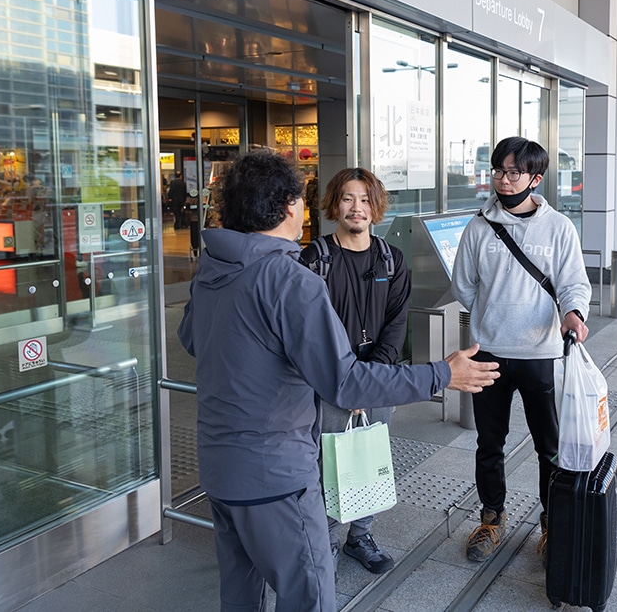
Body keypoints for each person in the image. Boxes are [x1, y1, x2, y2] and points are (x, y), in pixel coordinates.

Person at [178, 150, 499, 612]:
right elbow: (345, 383)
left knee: (242, 594)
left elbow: (193, 339)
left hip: (219, 468)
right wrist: (443, 373)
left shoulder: (213, 268)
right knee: (308, 595)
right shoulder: (291, 278)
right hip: (277, 476)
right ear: (290, 206)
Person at [451, 137, 591, 564]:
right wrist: (492, 315)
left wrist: (573, 312)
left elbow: (573, 282)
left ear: (535, 178)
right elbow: (463, 284)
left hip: (542, 355)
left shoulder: (559, 228)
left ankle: (551, 524)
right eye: (498, 171)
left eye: (514, 173)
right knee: (489, 442)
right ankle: (492, 518)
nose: (504, 180)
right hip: (487, 352)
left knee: (549, 447)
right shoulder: (478, 227)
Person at [299, 168, 407, 575]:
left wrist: (372, 380)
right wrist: (344, 381)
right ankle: (323, 540)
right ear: (334, 205)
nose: (356, 207)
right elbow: (307, 328)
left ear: (375, 206)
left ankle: (359, 536)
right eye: (347, 198)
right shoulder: (315, 258)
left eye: (364, 199)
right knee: (325, 459)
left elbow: (396, 324)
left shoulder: (390, 259)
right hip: (328, 380)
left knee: (370, 455)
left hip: (376, 380)